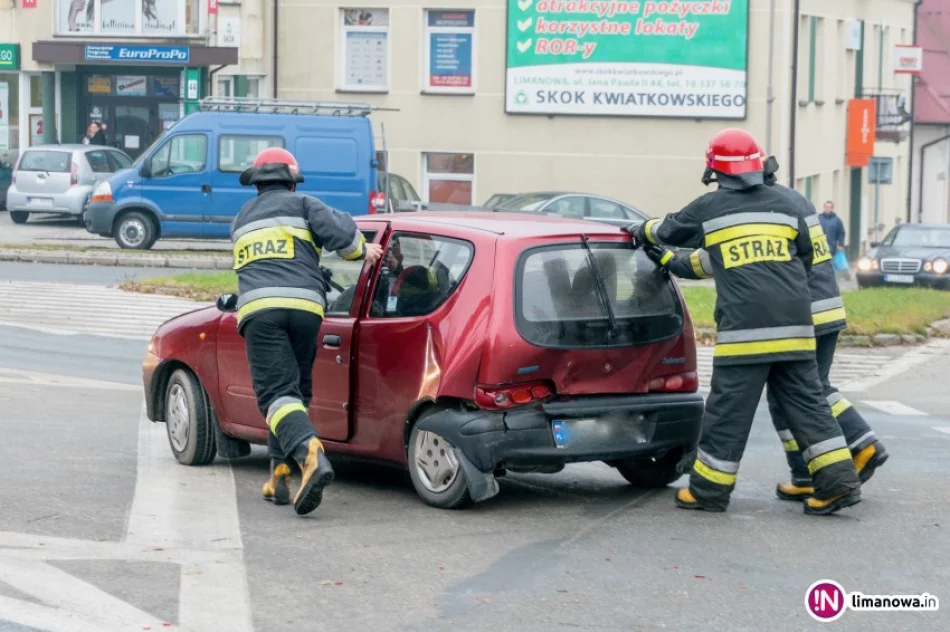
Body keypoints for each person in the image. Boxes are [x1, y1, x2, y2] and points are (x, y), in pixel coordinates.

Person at [625, 128, 862, 516]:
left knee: (727, 413)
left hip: (746, 334)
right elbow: (805, 257)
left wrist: (641, 231)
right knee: (808, 406)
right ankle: (838, 484)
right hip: (798, 327)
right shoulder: (789, 203)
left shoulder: (710, 208)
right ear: (758, 165)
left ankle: (708, 492)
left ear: (714, 169)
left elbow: (667, 229)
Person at [231, 147, 383, 515]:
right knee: (294, 393)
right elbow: (344, 240)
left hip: (261, 312)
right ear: (291, 179)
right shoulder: (304, 204)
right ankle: (280, 476)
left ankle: (310, 452)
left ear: (257, 184)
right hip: (306, 310)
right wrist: (366, 252)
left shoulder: (239, 220)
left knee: (274, 396)